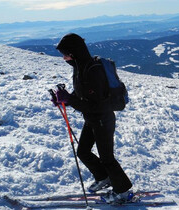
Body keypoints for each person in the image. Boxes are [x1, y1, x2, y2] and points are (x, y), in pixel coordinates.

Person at [53, 33, 133, 203]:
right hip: (92, 119)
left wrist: (70, 99)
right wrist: (64, 100)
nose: (64, 58)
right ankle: (104, 177)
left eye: (65, 54)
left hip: (103, 119)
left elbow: (98, 105)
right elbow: (82, 97)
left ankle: (123, 191)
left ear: (74, 52)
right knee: (83, 151)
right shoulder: (80, 68)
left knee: (107, 158)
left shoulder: (92, 71)